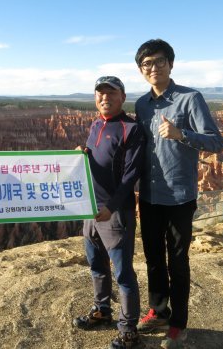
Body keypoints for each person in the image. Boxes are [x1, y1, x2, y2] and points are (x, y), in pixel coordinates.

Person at [134, 39, 223, 349]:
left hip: (179, 196)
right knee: (153, 259)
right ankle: (158, 311)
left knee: (177, 261)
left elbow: (216, 143)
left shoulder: (190, 99)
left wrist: (181, 134)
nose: (154, 68)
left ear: (170, 64)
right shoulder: (141, 105)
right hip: (148, 195)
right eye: (147, 64)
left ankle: (178, 324)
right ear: (141, 70)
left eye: (159, 61)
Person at [73, 76, 145, 349]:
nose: (105, 98)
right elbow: (95, 156)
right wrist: (81, 154)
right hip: (90, 211)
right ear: (95, 98)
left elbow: (131, 175)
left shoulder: (131, 128)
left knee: (123, 273)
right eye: (100, 93)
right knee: (96, 265)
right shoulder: (95, 124)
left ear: (122, 97)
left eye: (111, 93)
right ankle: (102, 310)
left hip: (114, 214)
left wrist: (111, 207)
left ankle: (129, 330)